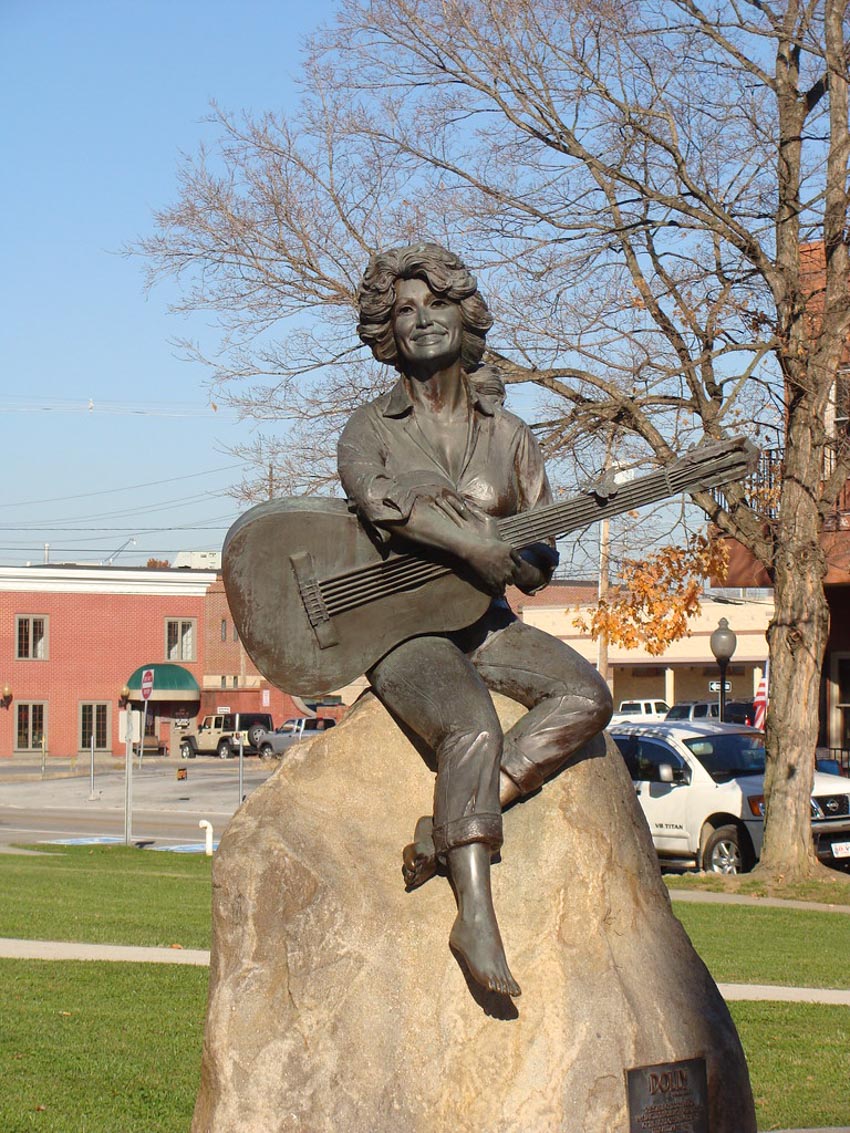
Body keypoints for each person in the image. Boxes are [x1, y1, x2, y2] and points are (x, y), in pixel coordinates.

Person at [338, 243, 612, 998]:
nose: (422, 319)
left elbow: (540, 542)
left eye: (438, 304)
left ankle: (448, 827)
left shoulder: (510, 435)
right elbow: (376, 499)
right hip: (398, 628)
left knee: (587, 697)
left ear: (466, 319)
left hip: (484, 620)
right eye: (404, 310)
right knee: (472, 725)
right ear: (387, 331)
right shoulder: (370, 429)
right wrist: (468, 543)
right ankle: (475, 914)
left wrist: (526, 564)